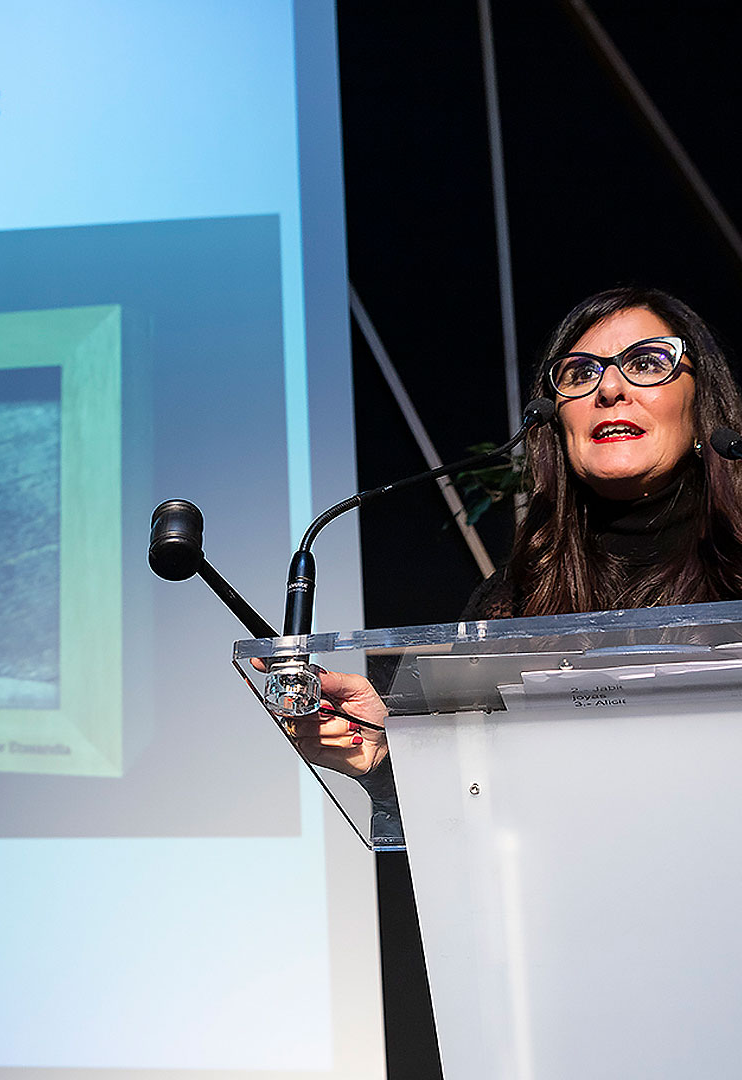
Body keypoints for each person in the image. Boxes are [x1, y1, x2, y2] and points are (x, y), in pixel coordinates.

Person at [292, 285, 742, 826]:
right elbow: (472, 811)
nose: (611, 389)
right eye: (581, 373)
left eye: (647, 363)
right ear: (555, 421)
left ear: (701, 403)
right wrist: (386, 752)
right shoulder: (516, 598)